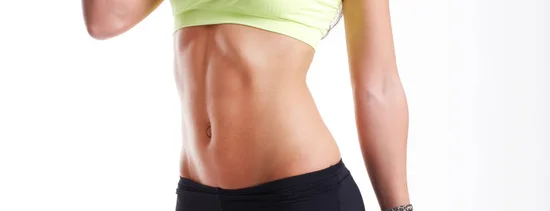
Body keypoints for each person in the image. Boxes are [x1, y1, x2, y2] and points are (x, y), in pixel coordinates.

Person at [82, 0, 411, 210]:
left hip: (297, 195)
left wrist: (398, 210)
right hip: (199, 196)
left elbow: (378, 87)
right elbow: (105, 18)